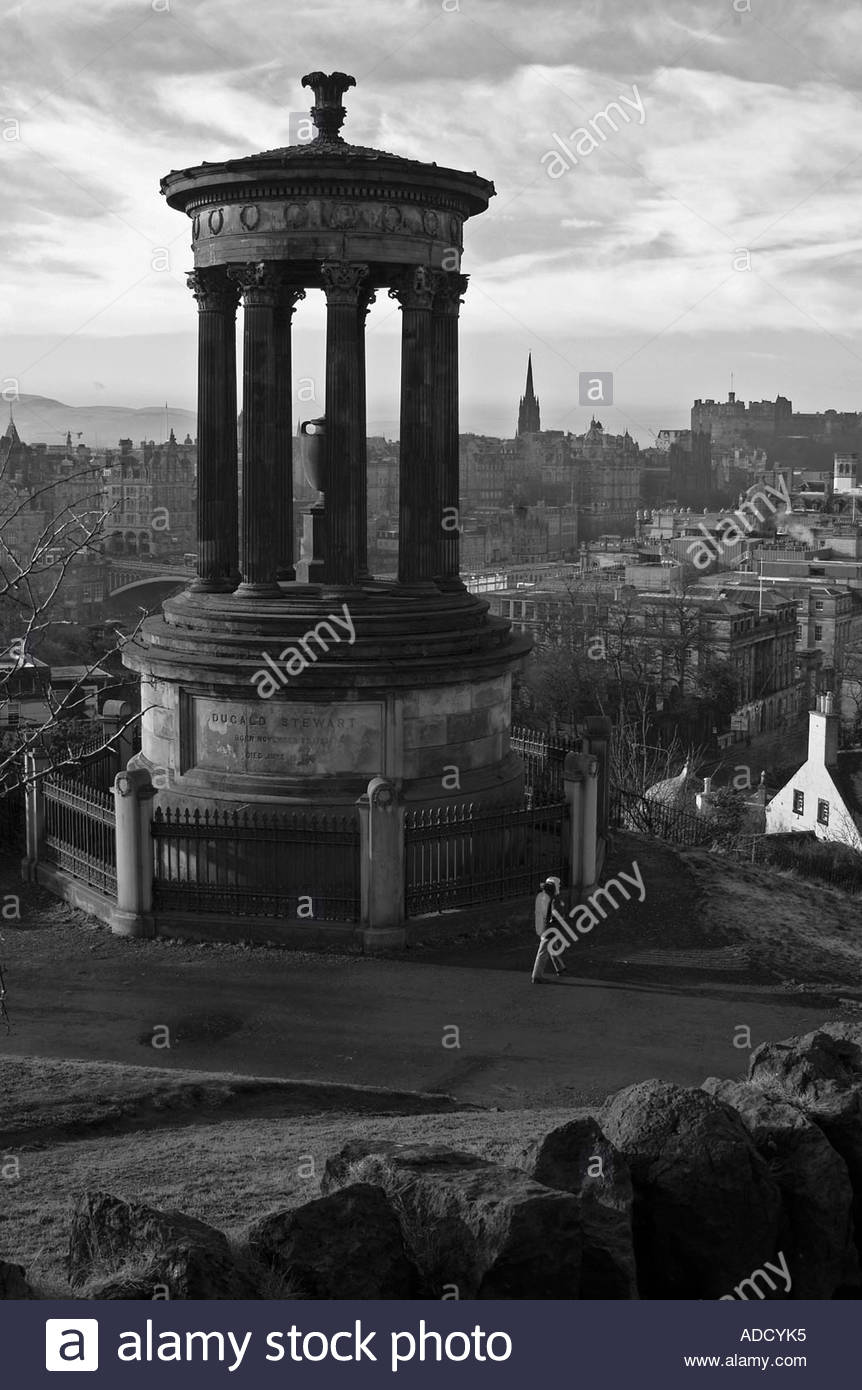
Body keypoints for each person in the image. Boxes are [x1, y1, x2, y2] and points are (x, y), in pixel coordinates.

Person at [531, 876, 567, 984]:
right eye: (558, 884)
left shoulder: (544, 897)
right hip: (550, 928)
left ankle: (560, 967)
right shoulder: (554, 899)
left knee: (551, 946)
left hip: (544, 926)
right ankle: (536, 976)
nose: (560, 886)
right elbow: (556, 913)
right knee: (543, 952)